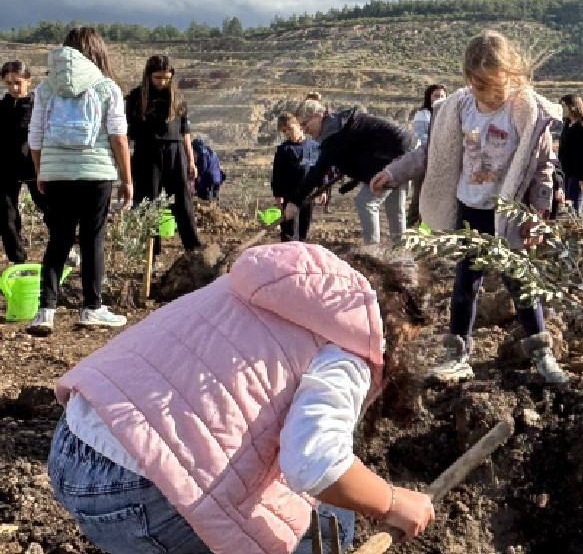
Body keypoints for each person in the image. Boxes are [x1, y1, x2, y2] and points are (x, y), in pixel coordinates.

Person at [46, 242, 435, 554]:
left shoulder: (260, 288)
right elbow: (316, 465)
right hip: (140, 497)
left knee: (325, 508)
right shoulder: (349, 345)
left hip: (70, 449)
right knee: (329, 526)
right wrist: (392, 502)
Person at [372, 30, 568, 385]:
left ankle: (541, 352)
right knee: (465, 283)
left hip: (508, 212)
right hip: (470, 209)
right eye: (476, 83)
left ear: (509, 75)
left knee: (520, 282)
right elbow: (431, 154)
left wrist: (538, 213)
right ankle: (457, 355)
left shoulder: (525, 112)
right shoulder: (458, 108)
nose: (483, 91)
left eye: (490, 83)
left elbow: (543, 167)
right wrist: (392, 173)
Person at [26, 27, 133, 337]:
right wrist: (126, 179)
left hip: (56, 173)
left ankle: (45, 311)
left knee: (58, 240)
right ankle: (92, 308)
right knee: (92, 239)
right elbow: (118, 138)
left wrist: (41, 171)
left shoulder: (45, 88)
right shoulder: (106, 87)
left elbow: (35, 137)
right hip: (96, 173)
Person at [289, 99, 414, 246]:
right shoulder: (340, 125)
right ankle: (401, 251)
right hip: (404, 149)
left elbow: (318, 171)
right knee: (395, 207)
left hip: (395, 154)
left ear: (318, 115)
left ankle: (373, 250)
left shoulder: (334, 133)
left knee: (366, 202)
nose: (304, 129)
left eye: (305, 123)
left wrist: (295, 201)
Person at [125, 55, 203, 255]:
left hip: (175, 152)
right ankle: (150, 253)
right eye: (158, 77)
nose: (162, 82)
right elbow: (126, 134)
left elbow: (185, 132)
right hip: (146, 153)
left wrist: (191, 161)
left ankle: (194, 250)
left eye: (166, 78)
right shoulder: (135, 98)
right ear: (149, 75)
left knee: (182, 202)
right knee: (147, 202)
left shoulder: (177, 99)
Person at [0, 60, 48, 264]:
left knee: (50, 209)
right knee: (6, 215)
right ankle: (18, 259)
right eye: (9, 83)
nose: (14, 88)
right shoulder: (2, 107)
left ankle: (64, 249)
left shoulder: (39, 107)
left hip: (35, 167)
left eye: (18, 82)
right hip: (6, 168)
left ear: (28, 80)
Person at [271, 112, 321, 242]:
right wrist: (278, 197)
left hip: (308, 194)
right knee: (288, 229)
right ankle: (286, 256)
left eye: (290, 129)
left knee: (304, 227)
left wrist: (322, 188)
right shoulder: (284, 150)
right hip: (289, 195)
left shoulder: (314, 147)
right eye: (284, 131)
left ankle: (300, 253)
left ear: (298, 125)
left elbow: (320, 169)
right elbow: (277, 175)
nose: (288, 133)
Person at [407, 83, 447, 227]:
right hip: (425, 160)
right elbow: (420, 136)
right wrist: (438, 143)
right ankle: (409, 229)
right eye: (436, 95)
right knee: (418, 198)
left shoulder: (449, 115)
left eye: (442, 96)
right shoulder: (423, 114)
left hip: (442, 162)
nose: (439, 98)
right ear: (429, 97)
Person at [558, 94, 583, 214]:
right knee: (565, 205)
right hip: (565, 172)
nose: (561, 109)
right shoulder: (567, 125)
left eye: (564, 106)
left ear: (572, 107)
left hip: (577, 175)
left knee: (574, 206)